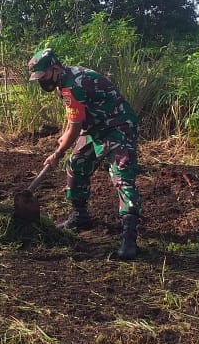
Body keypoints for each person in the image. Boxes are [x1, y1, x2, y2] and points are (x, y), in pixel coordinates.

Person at [28, 47, 141, 260]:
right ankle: (80, 215)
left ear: (54, 69)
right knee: (77, 164)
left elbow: (75, 127)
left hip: (118, 127)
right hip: (96, 128)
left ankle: (129, 236)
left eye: (43, 77)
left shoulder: (73, 85)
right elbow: (74, 119)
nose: (42, 82)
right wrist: (65, 136)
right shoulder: (66, 79)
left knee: (122, 175)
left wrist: (57, 153)